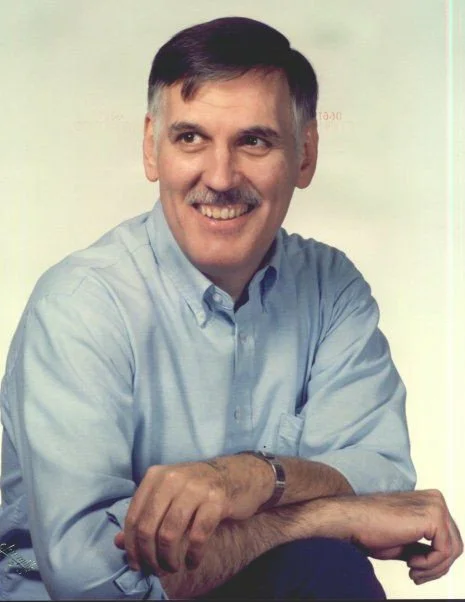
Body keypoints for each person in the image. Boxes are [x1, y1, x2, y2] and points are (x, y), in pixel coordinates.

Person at [0, 16, 461, 600]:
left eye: (254, 141)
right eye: (191, 138)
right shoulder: (80, 306)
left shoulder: (331, 287)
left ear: (306, 154)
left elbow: (382, 478)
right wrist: (313, 510)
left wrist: (250, 478)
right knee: (323, 560)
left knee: (326, 570)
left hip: (261, 584)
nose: (220, 177)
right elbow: (94, 581)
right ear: (151, 147)